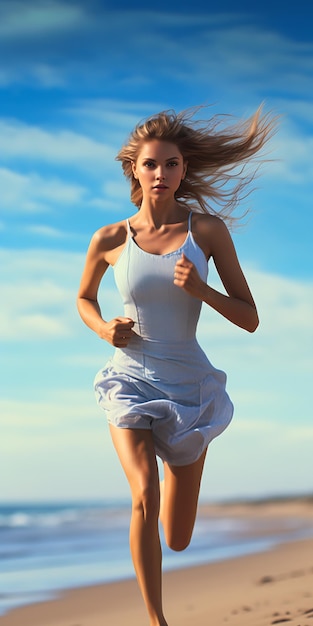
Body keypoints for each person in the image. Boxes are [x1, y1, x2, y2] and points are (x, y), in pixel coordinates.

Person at [77, 104, 275, 626]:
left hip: (189, 386)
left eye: (170, 164)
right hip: (129, 376)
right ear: (134, 171)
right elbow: (83, 299)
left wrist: (202, 289)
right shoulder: (110, 239)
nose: (160, 174)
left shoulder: (205, 230)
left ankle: (180, 505)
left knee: (178, 536)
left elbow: (251, 318)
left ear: (184, 170)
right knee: (143, 492)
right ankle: (156, 620)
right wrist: (102, 329)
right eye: (150, 165)